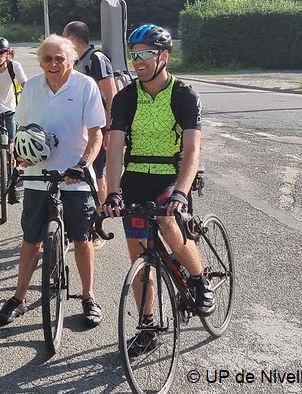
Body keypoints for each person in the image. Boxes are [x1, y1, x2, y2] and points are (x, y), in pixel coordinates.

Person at [103, 23, 214, 355]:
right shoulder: (125, 97)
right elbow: (114, 149)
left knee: (167, 221)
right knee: (139, 254)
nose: (138, 61)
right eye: (134, 55)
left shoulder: (183, 95)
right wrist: (112, 191)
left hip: (170, 176)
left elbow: (193, 150)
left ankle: (198, 279)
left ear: (164, 56)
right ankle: (147, 327)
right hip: (136, 178)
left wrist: (181, 191)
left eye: (146, 54)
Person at [0, 35, 105, 328]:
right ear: (40, 60)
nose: (54, 64)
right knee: (31, 239)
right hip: (37, 176)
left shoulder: (85, 86)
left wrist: (83, 165)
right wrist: (21, 157)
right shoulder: (31, 87)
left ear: (71, 60)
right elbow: (22, 130)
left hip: (76, 176)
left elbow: (96, 133)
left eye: (60, 59)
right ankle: (19, 297)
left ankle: (88, 296)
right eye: (48, 59)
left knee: (82, 239)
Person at [62, 21, 118, 249]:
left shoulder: (97, 59)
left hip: (98, 130)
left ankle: (98, 225)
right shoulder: (77, 61)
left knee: (97, 175)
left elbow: (111, 94)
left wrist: (107, 129)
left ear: (73, 38)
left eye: (66, 38)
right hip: (80, 130)